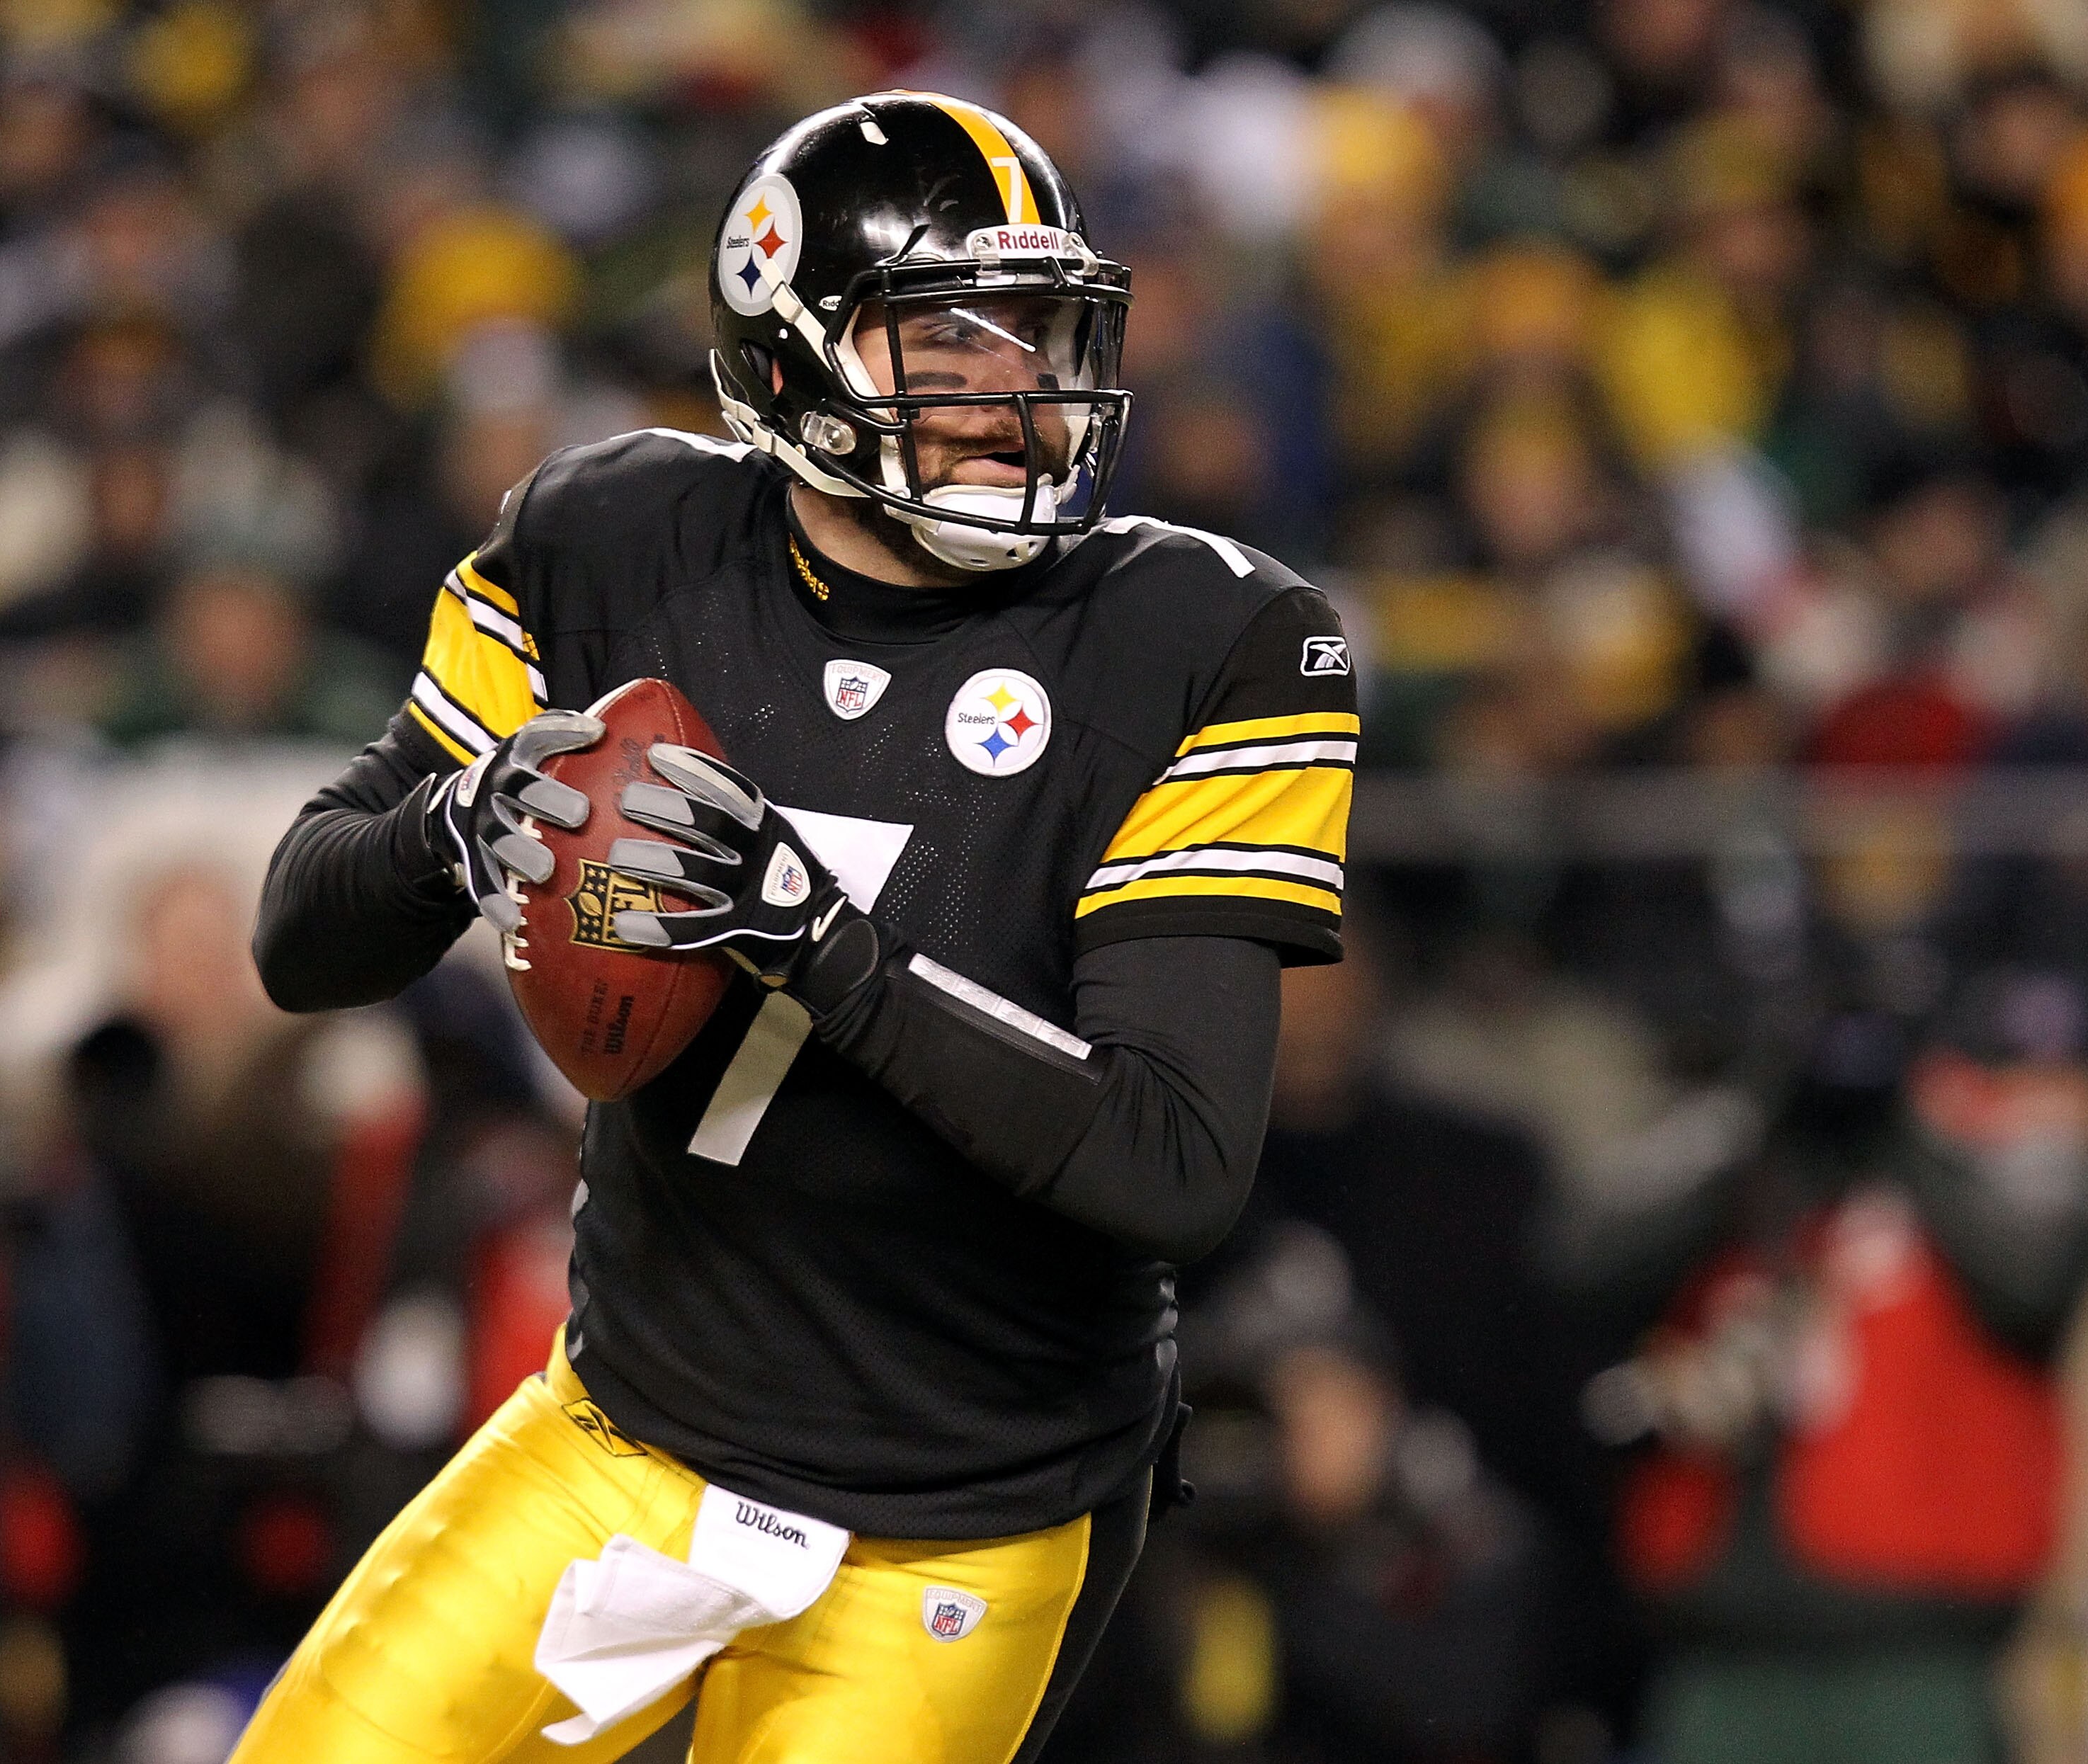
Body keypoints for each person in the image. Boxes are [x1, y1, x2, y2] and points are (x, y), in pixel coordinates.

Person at [240, 91, 1356, 1763]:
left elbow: (1173, 1164)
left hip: (956, 1518)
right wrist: (453, 827)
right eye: (951, 349)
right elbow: (298, 939)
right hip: (624, 1431)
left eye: (1041, 338)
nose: (1019, 402)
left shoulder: (1206, 641)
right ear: (792, 358)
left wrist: (819, 946)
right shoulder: (612, 541)